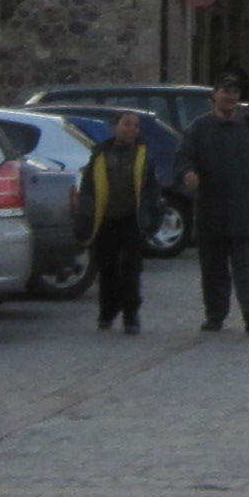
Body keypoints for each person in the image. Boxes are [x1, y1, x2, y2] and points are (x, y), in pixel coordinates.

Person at [181, 76, 249, 334]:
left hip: (244, 209)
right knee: (212, 270)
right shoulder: (199, 128)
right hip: (210, 210)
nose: (230, 97)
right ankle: (215, 315)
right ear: (215, 95)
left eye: (235, 92)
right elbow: (183, 159)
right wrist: (189, 175)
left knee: (246, 267)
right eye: (226, 92)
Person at [75, 109, 161, 335]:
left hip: (132, 218)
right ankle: (107, 312)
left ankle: (131, 316)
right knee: (107, 267)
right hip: (106, 218)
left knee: (131, 268)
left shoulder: (144, 155)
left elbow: (151, 189)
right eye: (127, 124)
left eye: (135, 125)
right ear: (115, 127)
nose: (131, 129)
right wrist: (83, 221)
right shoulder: (101, 154)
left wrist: (153, 217)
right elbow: (89, 190)